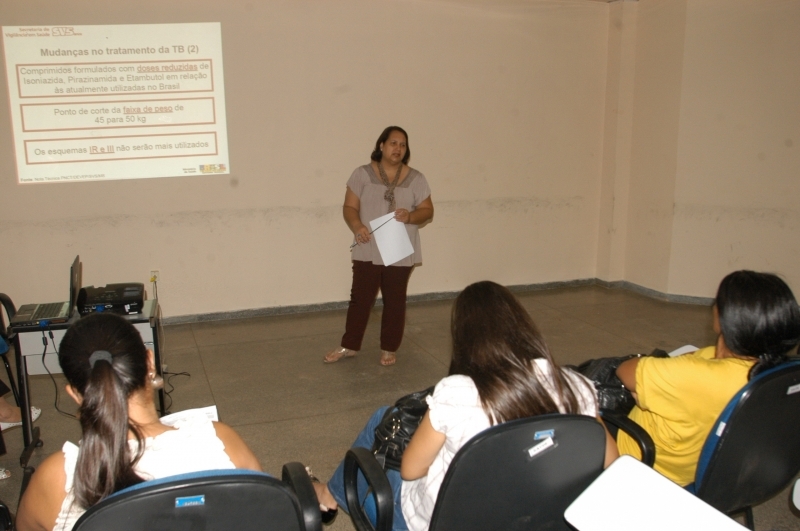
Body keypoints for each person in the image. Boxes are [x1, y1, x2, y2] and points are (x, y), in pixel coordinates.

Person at [316, 281, 618, 531]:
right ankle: (330, 493)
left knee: (383, 420)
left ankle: (328, 495)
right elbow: (611, 461)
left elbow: (410, 470)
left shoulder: (458, 393)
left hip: (442, 523)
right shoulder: (574, 385)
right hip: (542, 517)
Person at [15, 312, 267, 531]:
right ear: (149, 362)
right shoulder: (221, 443)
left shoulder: (57, 477)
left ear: (76, 395)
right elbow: (267, 513)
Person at [615, 270, 800, 486]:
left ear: (724, 318)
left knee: (586, 403)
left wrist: (662, 376)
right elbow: (698, 361)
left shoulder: (696, 376)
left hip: (644, 463)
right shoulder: (779, 372)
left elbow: (624, 371)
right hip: (706, 470)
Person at [324, 126, 434, 367]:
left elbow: (427, 211)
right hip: (368, 245)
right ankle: (349, 345)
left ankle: (389, 347)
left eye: (403, 145)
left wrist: (410, 216)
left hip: (399, 248)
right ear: (382, 145)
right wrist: (357, 226)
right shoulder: (362, 174)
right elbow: (349, 207)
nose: (398, 148)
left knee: (395, 300)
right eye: (393, 143)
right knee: (360, 299)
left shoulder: (416, 178)